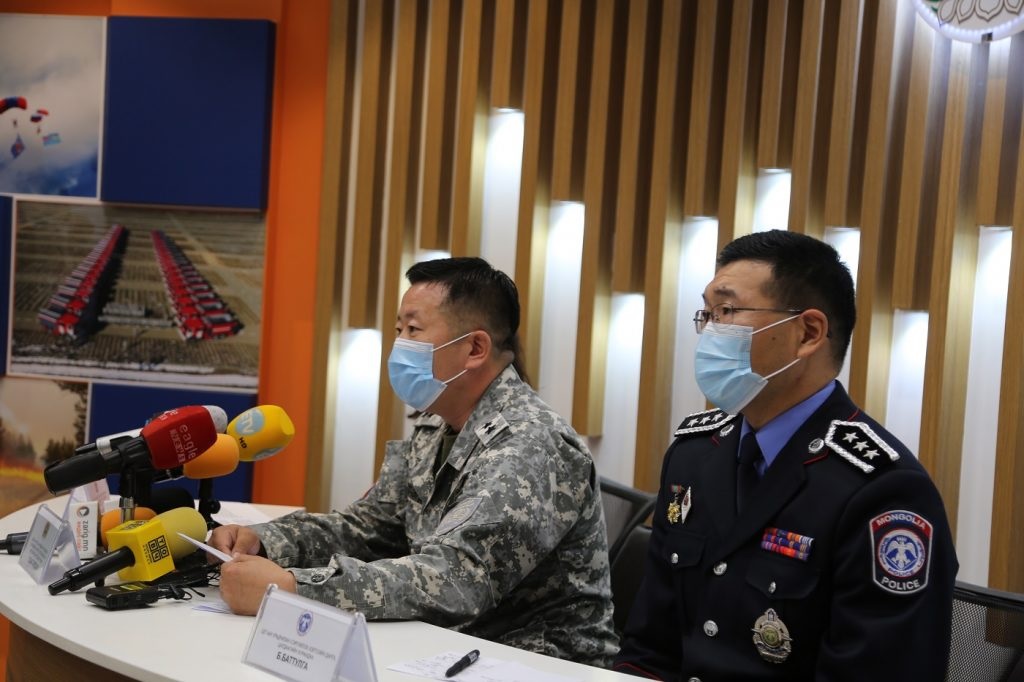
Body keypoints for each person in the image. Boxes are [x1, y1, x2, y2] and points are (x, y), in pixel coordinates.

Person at [210, 256, 618, 668]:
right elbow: (371, 529)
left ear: (475, 348)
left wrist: (295, 587)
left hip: (539, 662)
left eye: (414, 330)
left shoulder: (531, 443)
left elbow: (458, 580)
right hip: (446, 646)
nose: (400, 344)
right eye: (398, 330)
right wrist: (266, 541)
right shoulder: (437, 427)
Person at [614, 230, 958, 680]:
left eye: (728, 311)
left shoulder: (883, 492)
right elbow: (648, 649)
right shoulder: (694, 455)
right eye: (708, 314)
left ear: (808, 333)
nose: (711, 331)